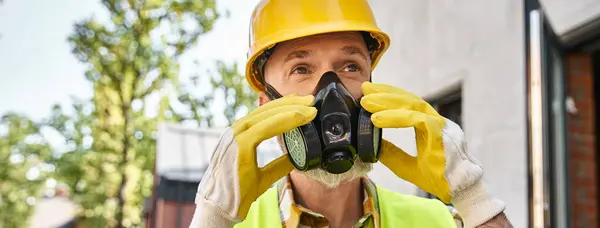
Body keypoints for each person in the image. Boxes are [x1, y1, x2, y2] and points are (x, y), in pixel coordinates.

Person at [190, 0, 513, 227]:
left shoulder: (437, 223)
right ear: (265, 106)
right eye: (301, 69)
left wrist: (474, 200)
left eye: (350, 66)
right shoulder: (232, 226)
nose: (332, 91)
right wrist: (211, 221)